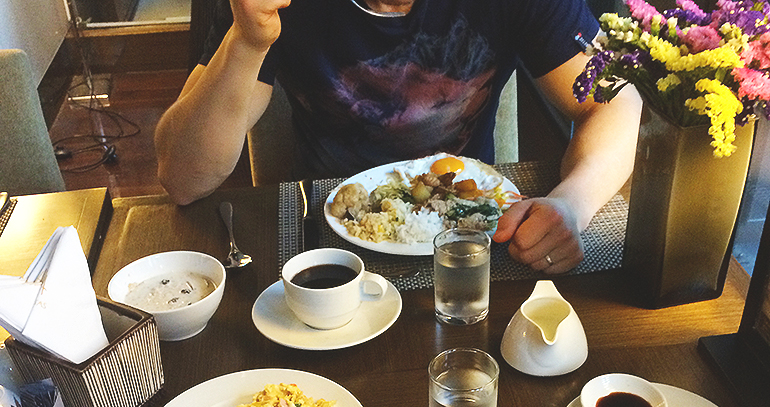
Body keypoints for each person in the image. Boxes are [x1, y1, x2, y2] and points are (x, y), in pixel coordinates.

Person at [155, 0, 641, 274]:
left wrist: (573, 203)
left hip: (475, 242)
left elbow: (617, 100)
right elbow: (183, 178)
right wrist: (246, 41)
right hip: (326, 247)